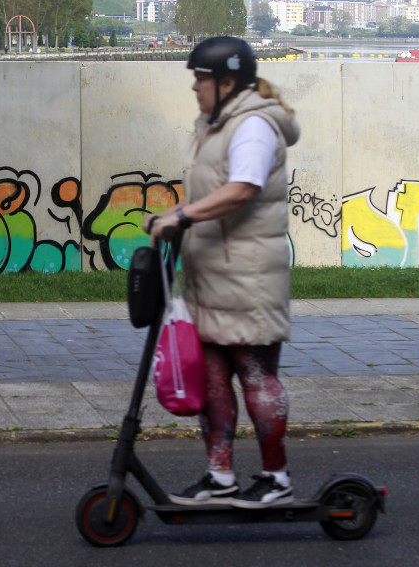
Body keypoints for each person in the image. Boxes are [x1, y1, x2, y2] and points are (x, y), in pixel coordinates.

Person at [142, 37, 300, 509]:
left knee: (254, 375)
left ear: (228, 82)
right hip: (211, 276)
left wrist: (184, 218)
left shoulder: (253, 125)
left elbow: (242, 189)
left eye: (201, 78)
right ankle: (220, 475)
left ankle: (276, 478)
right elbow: (213, 192)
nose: (194, 87)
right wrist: (172, 215)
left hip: (248, 276)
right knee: (210, 379)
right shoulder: (215, 127)